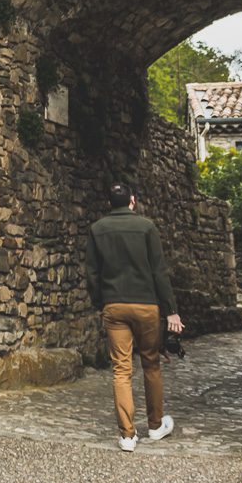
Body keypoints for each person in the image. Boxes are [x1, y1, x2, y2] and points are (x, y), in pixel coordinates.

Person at [85, 181, 184, 451]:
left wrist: (100, 303)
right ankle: (154, 426)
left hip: (114, 306)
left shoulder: (97, 229)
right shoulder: (146, 227)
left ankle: (127, 435)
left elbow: (92, 273)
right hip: (146, 306)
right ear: (133, 201)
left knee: (121, 369)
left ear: (109, 203)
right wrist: (171, 310)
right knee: (151, 364)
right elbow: (158, 272)